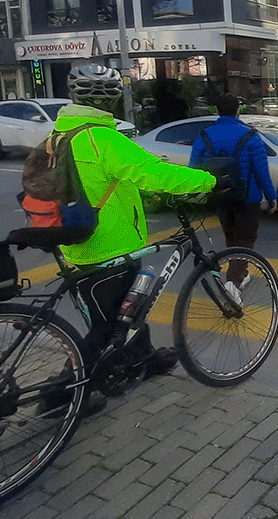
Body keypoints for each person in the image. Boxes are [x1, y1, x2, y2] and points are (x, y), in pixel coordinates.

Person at [54, 65, 220, 384]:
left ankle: (142, 357)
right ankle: (63, 393)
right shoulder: (102, 139)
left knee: (128, 311)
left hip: (75, 239)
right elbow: (154, 174)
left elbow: (98, 181)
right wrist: (210, 180)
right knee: (105, 329)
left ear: (72, 96)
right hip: (107, 246)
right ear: (114, 101)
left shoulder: (61, 134)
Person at [189, 93, 278, 282]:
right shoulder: (251, 136)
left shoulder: (204, 136)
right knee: (245, 240)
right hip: (248, 198)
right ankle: (233, 282)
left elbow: (194, 168)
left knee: (231, 237)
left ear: (217, 111)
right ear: (238, 110)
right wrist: (271, 197)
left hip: (220, 196)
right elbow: (262, 171)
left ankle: (240, 274)